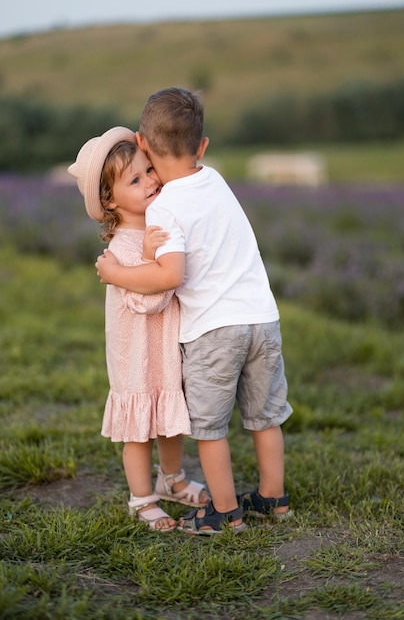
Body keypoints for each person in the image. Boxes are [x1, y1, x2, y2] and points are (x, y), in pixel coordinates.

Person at [95, 90, 293, 535]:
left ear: (143, 143)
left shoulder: (165, 206)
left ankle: (223, 513)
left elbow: (169, 276)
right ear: (202, 148)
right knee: (265, 417)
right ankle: (273, 498)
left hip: (214, 329)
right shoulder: (216, 178)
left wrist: (114, 273)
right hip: (263, 317)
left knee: (208, 427)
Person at [67, 126, 208, 532]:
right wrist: (148, 262)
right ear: (110, 199)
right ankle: (141, 498)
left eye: (149, 170)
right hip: (136, 356)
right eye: (135, 179)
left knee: (170, 420)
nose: (150, 181)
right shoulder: (123, 248)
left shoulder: (156, 228)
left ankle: (173, 478)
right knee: (139, 431)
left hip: (162, 350)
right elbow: (149, 300)